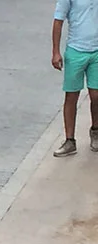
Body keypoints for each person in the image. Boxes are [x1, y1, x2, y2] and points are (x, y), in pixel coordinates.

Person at [51, 0, 98, 156]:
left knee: (96, 95)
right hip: (75, 51)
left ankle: (96, 131)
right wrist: (56, 52)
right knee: (71, 96)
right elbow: (58, 21)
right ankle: (70, 140)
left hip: (96, 52)